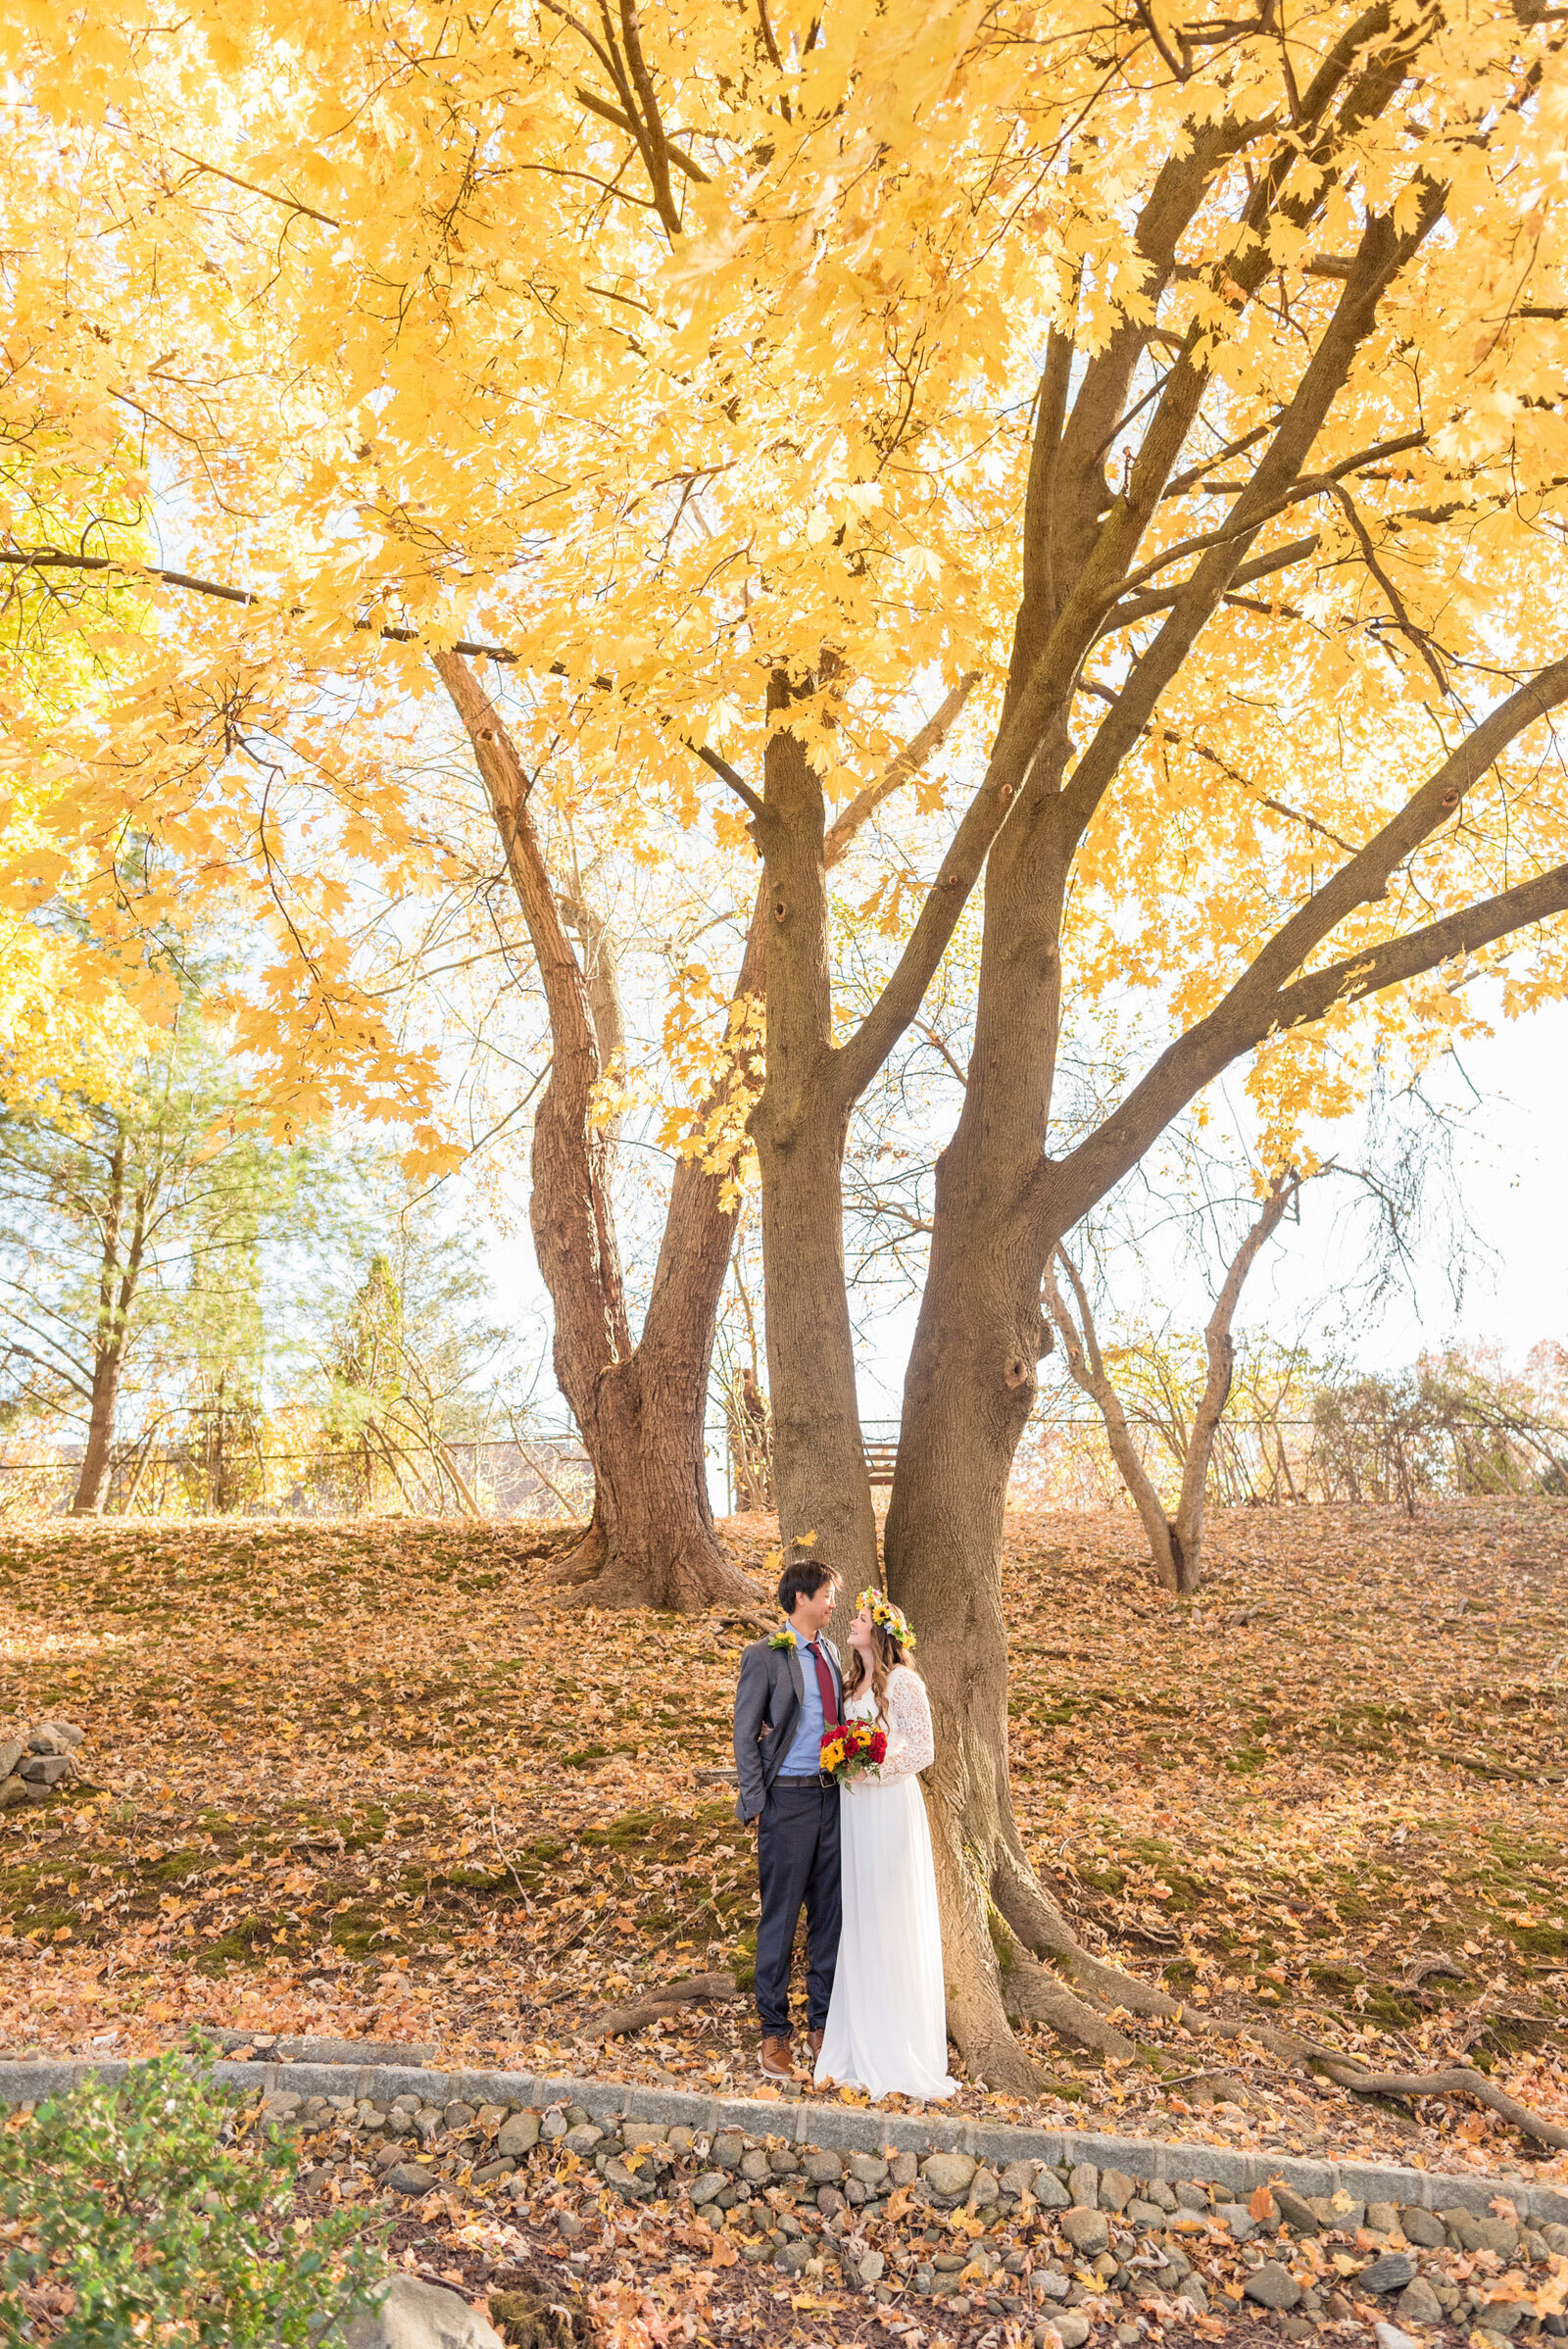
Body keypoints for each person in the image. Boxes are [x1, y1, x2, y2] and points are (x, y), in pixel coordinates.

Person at [813, 1588, 957, 2102]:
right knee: (859, 1914)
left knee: (890, 1914)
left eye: (858, 1618)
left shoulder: (905, 1684)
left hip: (890, 1806)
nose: (850, 1622)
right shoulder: (853, 1682)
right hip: (854, 1810)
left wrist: (871, 1769)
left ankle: (899, 2044)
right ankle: (856, 2038)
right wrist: (841, 1759)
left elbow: (922, 1749)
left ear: (879, 1632)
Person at [732, 1556, 844, 2080]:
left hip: (835, 1802)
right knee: (779, 1920)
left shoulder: (833, 1653)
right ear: (802, 1598)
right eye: (827, 1594)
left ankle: (822, 2024)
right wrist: (756, 1802)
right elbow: (744, 1733)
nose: (832, 1603)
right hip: (788, 1803)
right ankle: (774, 2031)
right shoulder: (765, 1656)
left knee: (829, 1918)